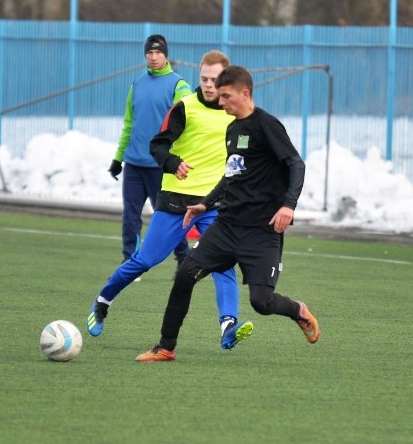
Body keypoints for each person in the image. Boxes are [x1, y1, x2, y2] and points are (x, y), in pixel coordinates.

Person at [136, 65, 320, 363]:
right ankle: (166, 346)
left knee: (261, 302)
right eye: (219, 97)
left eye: (226, 97)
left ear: (245, 94)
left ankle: (298, 310)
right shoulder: (233, 129)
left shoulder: (267, 126)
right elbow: (231, 176)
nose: (220, 103)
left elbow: (296, 165)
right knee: (185, 275)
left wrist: (289, 205)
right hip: (227, 226)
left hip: (262, 230)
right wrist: (205, 204)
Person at [88, 50, 253, 350]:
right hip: (177, 201)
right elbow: (158, 145)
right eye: (203, 78)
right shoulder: (184, 108)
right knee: (146, 260)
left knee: (224, 263)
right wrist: (173, 162)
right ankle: (102, 301)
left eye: (214, 80)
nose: (208, 85)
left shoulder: (234, 114)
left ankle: (228, 325)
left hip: (213, 205)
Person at [109, 34, 193, 264]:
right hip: (134, 164)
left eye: (158, 53)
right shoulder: (137, 84)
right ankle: (130, 260)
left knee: (169, 217)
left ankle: (183, 258)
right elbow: (129, 124)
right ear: (145, 55)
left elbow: (187, 124)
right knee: (130, 216)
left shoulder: (179, 85)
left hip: (161, 166)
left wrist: (176, 159)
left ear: (166, 55)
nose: (154, 57)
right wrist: (118, 159)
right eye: (150, 53)